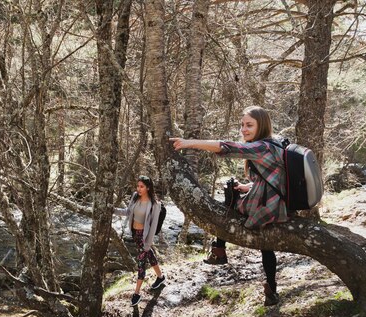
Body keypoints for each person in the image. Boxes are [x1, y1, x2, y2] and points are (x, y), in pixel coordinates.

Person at [169, 106, 288, 306]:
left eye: (249, 125)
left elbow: (228, 147)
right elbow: (274, 179)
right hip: (275, 202)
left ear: (262, 125)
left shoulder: (262, 147)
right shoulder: (274, 143)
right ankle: (271, 289)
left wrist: (190, 143)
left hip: (267, 206)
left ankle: (219, 249)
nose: (244, 129)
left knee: (229, 193)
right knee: (265, 245)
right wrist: (247, 186)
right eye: (242, 125)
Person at [114, 175, 167, 306]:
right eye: (138, 186)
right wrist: (113, 210)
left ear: (148, 188)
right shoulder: (135, 197)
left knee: (141, 262)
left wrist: (148, 243)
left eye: (142, 186)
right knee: (149, 255)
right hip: (135, 234)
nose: (139, 189)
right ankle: (160, 277)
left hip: (144, 236)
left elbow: (153, 225)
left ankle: (136, 294)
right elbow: (127, 212)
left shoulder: (154, 205)